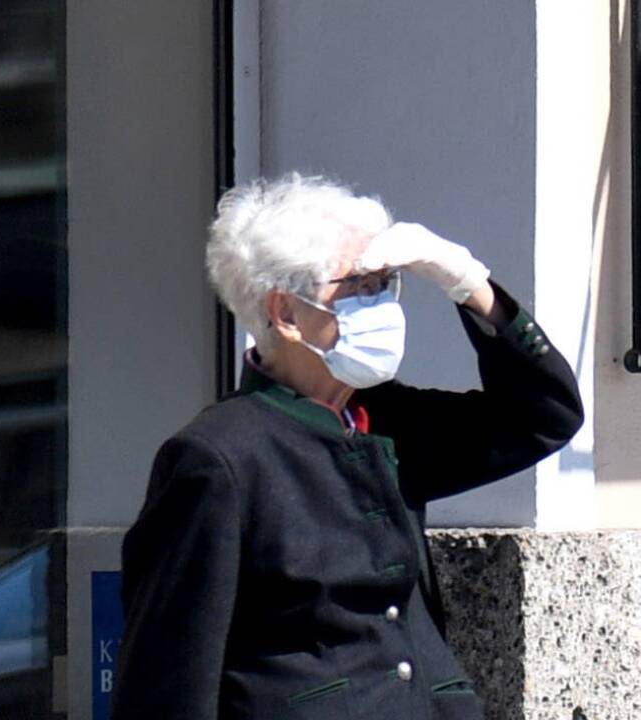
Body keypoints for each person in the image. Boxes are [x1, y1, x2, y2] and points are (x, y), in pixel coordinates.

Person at [110, 173, 583, 719]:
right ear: (286, 313)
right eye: (359, 285)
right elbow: (170, 679)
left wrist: (469, 285)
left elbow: (545, 416)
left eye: (385, 283)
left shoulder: (383, 420)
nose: (380, 302)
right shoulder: (219, 457)